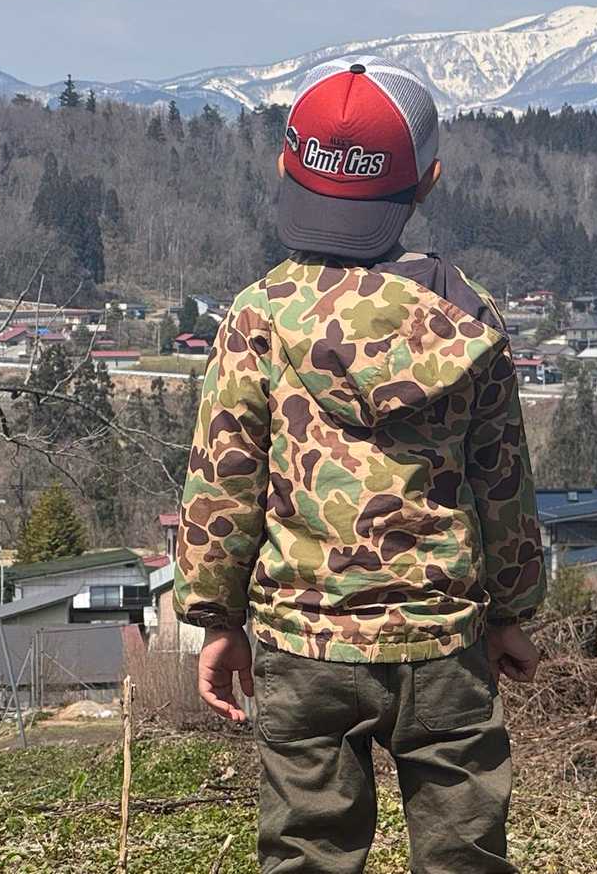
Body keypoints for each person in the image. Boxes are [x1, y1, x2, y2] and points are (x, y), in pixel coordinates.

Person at [173, 55, 546, 873]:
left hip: (303, 638)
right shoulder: (468, 317)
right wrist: (512, 610)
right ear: (428, 182)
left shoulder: (259, 316)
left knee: (307, 856)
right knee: (465, 857)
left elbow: (222, 485)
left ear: (287, 170)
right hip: (441, 637)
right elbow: (503, 484)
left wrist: (217, 619)